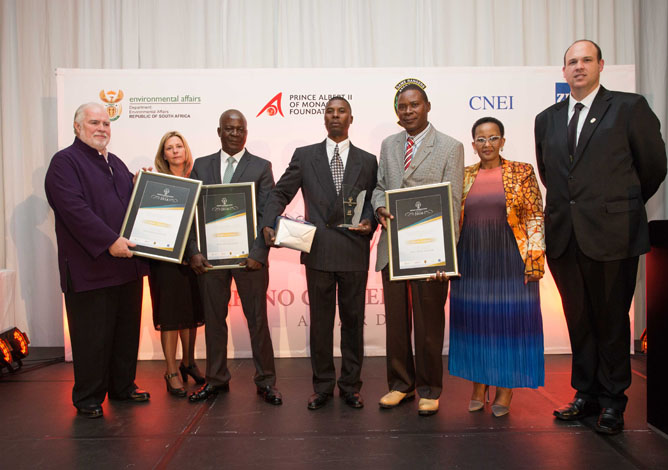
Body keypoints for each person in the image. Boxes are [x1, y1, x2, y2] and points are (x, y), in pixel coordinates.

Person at [535, 39, 667, 434]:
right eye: (572, 62)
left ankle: (613, 401)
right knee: (579, 320)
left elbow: (653, 167)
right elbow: (550, 174)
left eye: (586, 60)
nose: (579, 67)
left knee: (611, 322)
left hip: (613, 235)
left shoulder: (629, 107)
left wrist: (618, 207)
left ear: (600, 65)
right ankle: (586, 394)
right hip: (565, 237)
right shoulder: (546, 118)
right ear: (563, 71)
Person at [262, 96, 377, 410]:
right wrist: (269, 222)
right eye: (330, 111)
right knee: (321, 323)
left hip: (354, 250)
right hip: (319, 251)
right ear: (324, 118)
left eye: (341, 111)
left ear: (351, 118)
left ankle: (351, 386)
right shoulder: (305, 156)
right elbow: (281, 192)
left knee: (353, 322)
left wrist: (371, 221)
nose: (335, 116)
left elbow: (374, 199)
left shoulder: (368, 160)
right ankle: (323, 386)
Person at [45, 102, 150, 418]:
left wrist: (143, 187)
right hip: (90, 268)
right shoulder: (64, 163)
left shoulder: (115, 162)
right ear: (77, 127)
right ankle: (88, 397)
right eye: (94, 122)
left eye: (106, 123)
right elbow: (74, 210)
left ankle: (122, 386)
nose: (102, 128)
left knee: (125, 333)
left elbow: (128, 205)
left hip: (126, 265)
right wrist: (109, 242)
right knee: (92, 338)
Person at [372, 81, 463, 416]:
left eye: (414, 105)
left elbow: (453, 202)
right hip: (393, 248)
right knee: (396, 323)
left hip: (431, 251)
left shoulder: (450, 147)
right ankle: (400, 385)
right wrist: (379, 207)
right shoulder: (389, 144)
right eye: (402, 106)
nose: (408, 111)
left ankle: (428, 389)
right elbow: (380, 187)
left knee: (428, 325)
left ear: (427, 106)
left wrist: (446, 256)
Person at [449, 117, 545, 417]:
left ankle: (505, 388)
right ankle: (478, 386)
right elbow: (450, 218)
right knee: (474, 322)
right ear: (473, 144)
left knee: (509, 322)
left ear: (502, 141)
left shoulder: (522, 171)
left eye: (493, 138)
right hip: (470, 257)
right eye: (481, 139)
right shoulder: (463, 175)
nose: (487, 144)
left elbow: (535, 216)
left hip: (510, 257)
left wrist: (535, 261)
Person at [186, 109, 282, 406]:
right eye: (229, 129)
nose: (235, 134)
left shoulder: (261, 167)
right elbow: (190, 213)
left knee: (257, 320)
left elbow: (269, 212)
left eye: (240, 129)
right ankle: (216, 379)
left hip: (249, 259)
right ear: (219, 132)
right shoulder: (201, 166)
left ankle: (266, 381)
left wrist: (259, 253)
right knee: (214, 320)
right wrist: (193, 252)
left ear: (246, 133)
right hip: (210, 260)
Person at [148, 131, 205, 397]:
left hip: (192, 256)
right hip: (165, 259)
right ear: (163, 154)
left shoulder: (198, 179)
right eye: (169, 147)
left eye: (178, 146)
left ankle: (188, 363)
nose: (175, 151)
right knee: (170, 316)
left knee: (190, 312)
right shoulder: (155, 182)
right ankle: (170, 371)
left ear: (185, 149)